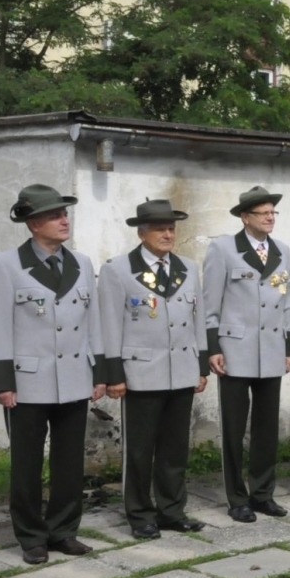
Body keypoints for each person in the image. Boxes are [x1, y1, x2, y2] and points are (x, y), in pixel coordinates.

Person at [0, 184, 104, 564]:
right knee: (27, 464)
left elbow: (93, 322)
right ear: (33, 224)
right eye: (55, 215)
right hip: (28, 381)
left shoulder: (81, 263)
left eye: (65, 213)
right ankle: (32, 536)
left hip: (73, 377)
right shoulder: (5, 265)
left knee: (70, 463)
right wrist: (3, 382)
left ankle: (64, 530)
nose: (63, 220)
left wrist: (98, 372)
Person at [98, 198, 209, 539]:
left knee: (175, 449)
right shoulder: (118, 269)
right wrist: (113, 375)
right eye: (160, 228)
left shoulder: (188, 268)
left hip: (182, 370)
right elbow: (109, 325)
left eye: (171, 228)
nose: (167, 234)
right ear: (142, 233)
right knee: (140, 450)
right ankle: (140, 514)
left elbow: (198, 319)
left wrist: (201, 365)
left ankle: (172, 510)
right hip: (141, 373)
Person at [202, 186, 290, 523]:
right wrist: (213, 348)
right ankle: (236, 497)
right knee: (234, 429)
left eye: (273, 212)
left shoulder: (282, 250)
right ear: (245, 217)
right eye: (263, 213)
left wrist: (289, 349)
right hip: (234, 350)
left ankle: (263, 494)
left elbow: (288, 304)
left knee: (267, 429)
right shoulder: (223, 249)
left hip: (271, 350)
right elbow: (210, 305)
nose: (270, 218)